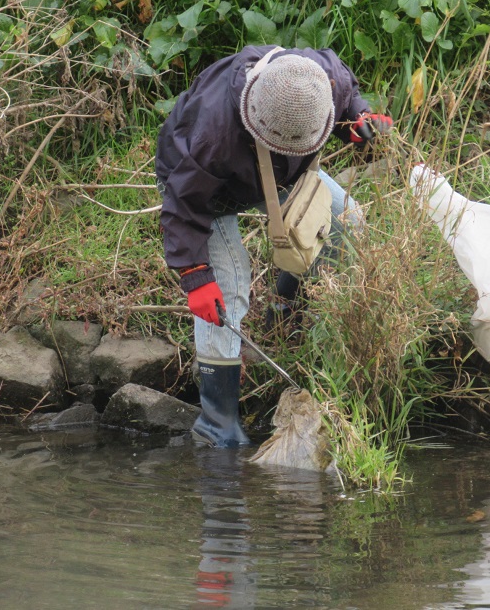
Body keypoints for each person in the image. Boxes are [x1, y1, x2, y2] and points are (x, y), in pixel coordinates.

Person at [155, 44, 392, 448]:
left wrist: (361, 116)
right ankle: (217, 425)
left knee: (348, 223)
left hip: (278, 170)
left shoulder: (318, 79)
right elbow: (182, 206)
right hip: (205, 192)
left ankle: (285, 313)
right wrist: (195, 277)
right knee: (227, 291)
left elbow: (349, 94)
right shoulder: (214, 134)